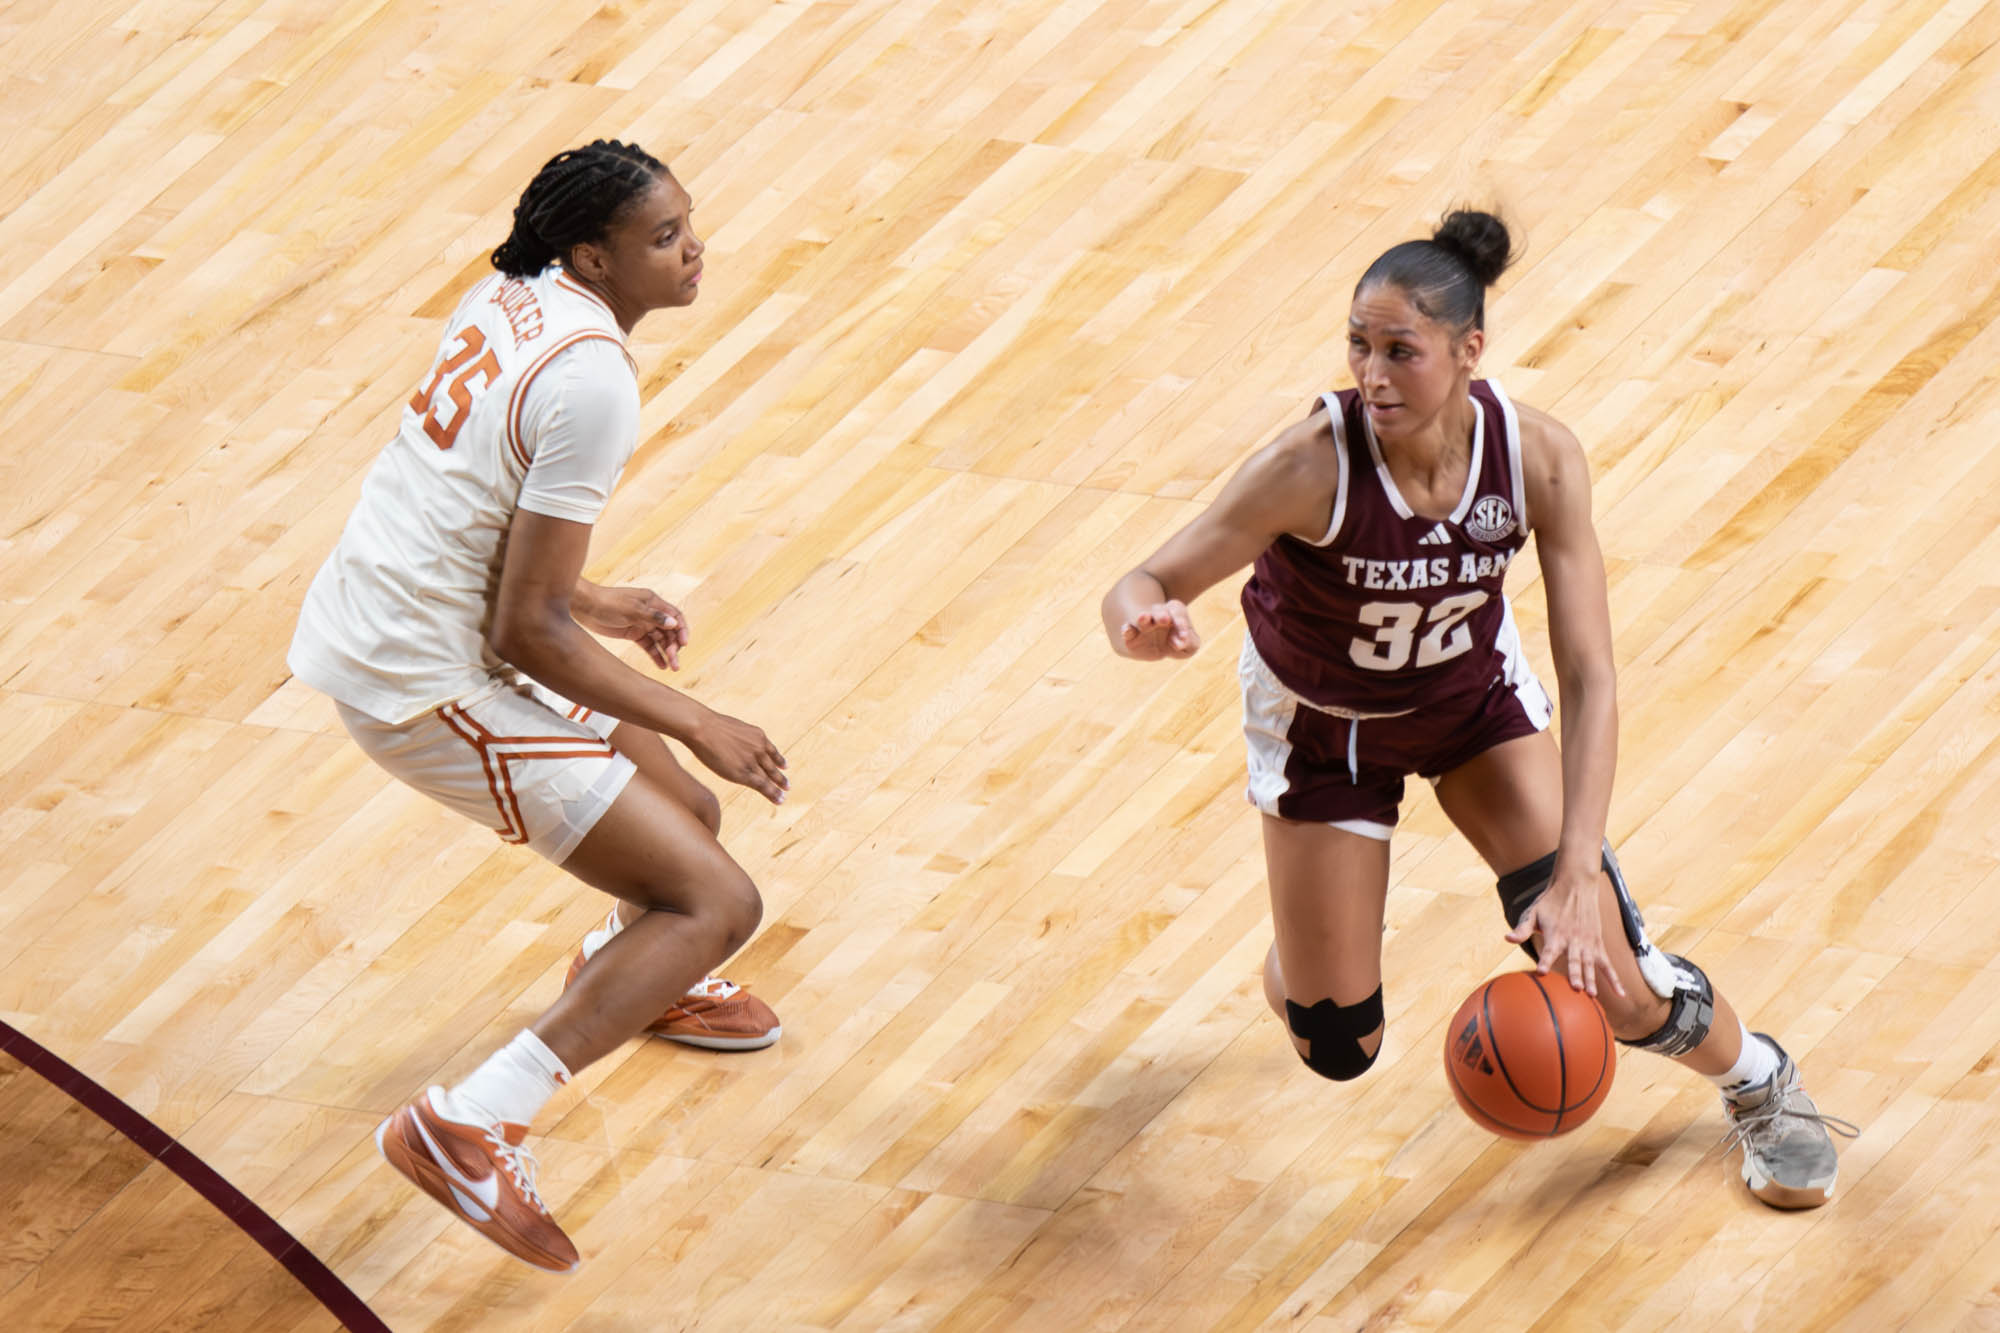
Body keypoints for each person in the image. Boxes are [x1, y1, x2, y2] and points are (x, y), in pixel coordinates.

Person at [1099, 210, 1855, 1209]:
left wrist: (1577, 871)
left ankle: (1757, 1079)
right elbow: (1145, 576)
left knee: (1611, 979)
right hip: (1321, 728)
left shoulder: (1535, 456)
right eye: (1357, 347)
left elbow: (1587, 672)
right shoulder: (1306, 465)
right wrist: (1141, 623)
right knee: (1335, 1041)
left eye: (1399, 352)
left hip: (1470, 711)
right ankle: (1318, 935)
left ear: (1467, 352)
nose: (1371, 374)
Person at [288, 140, 791, 1272]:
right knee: (714, 897)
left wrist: (597, 600)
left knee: (684, 827)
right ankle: (468, 1122)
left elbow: (475, 520)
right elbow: (527, 631)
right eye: (662, 237)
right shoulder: (592, 378)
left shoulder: (513, 291)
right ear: (590, 254)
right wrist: (693, 715)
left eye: (686, 222)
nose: (693, 248)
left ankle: (633, 977)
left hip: (420, 609)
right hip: (423, 677)